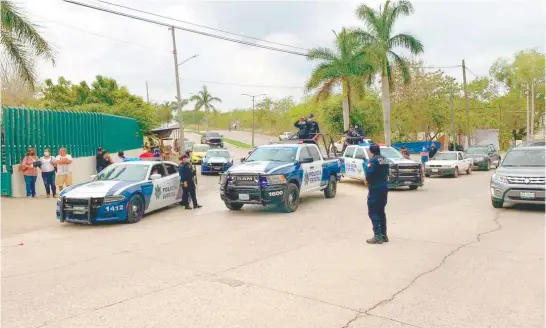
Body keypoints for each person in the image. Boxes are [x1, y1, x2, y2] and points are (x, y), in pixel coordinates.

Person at [365, 144, 390, 244]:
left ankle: (377, 236)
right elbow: (387, 172)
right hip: (384, 188)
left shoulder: (373, 160)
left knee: (373, 212)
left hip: (375, 188)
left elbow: (369, 173)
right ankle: (384, 235)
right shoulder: (384, 159)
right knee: (381, 212)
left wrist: (367, 179)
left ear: (371, 152)